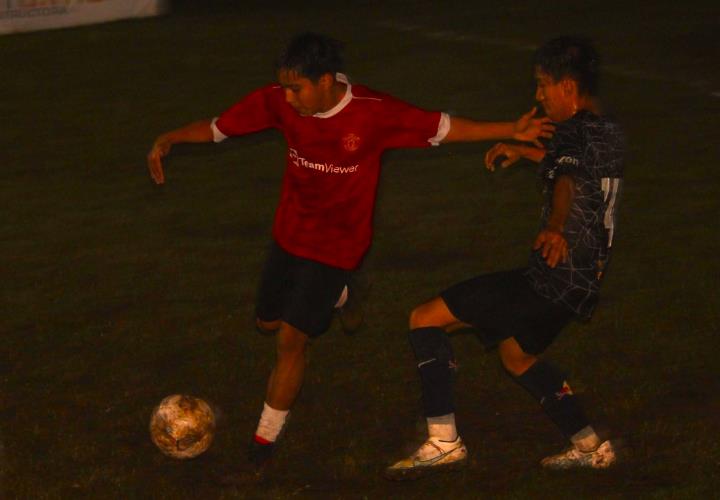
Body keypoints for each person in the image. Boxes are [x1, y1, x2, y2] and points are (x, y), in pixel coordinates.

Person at [146, 32, 552, 470]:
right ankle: (342, 295)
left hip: (337, 246)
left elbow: (443, 128)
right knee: (266, 323)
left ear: (326, 81)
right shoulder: (280, 101)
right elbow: (217, 128)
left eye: (296, 89)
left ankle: (264, 440)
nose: (288, 97)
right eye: (284, 88)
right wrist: (171, 137)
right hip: (289, 234)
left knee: (290, 340)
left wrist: (511, 129)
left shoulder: (373, 113)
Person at [385, 36, 625, 480]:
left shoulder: (572, 131)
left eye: (542, 86)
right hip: (581, 285)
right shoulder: (605, 130)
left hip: (549, 278)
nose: (538, 96)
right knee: (516, 356)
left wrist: (554, 226)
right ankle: (590, 445)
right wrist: (526, 151)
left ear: (567, 88)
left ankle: (443, 441)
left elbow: (567, 182)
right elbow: (575, 170)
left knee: (425, 318)